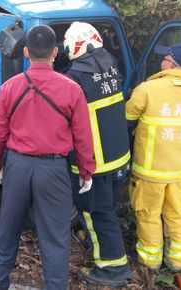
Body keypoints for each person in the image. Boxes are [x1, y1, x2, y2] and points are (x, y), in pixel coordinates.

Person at [0, 25, 96, 290]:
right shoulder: (71, 89)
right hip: (54, 169)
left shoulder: (10, 87)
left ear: (25, 52)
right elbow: (83, 136)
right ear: (55, 53)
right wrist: (86, 170)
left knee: (7, 232)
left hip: (17, 167)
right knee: (55, 239)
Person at [125, 43, 181, 273]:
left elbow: (128, 113)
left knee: (148, 213)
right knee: (176, 214)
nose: (161, 61)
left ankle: (150, 261)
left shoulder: (148, 89)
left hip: (150, 169)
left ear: (170, 63)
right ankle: (177, 261)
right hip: (179, 171)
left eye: (164, 57)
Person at [62, 22, 131, 287]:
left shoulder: (74, 79)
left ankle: (113, 269)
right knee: (105, 209)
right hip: (118, 159)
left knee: (97, 213)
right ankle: (100, 245)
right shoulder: (111, 63)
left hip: (94, 164)